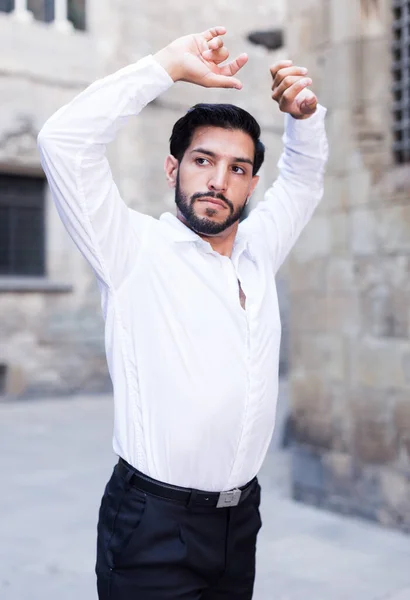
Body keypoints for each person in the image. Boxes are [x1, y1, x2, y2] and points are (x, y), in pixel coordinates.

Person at [38, 26, 328, 600]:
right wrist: (164, 66)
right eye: (203, 160)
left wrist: (303, 117)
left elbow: (303, 178)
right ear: (173, 169)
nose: (219, 180)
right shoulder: (130, 250)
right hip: (153, 526)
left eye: (238, 169)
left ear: (250, 185)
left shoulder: (257, 253)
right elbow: (63, 142)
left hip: (238, 523)